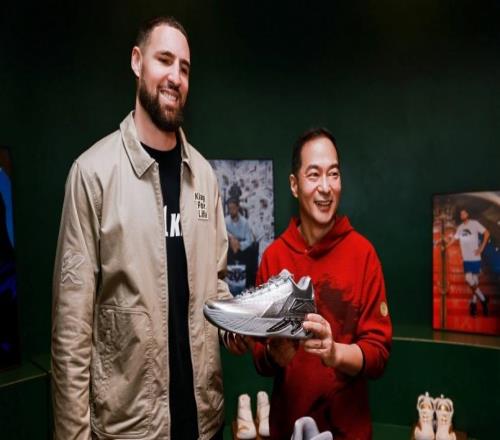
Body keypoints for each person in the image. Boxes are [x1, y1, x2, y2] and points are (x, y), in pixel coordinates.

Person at [52, 16, 235, 440]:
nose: (175, 77)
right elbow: (71, 333)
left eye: (184, 68)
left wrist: (247, 330)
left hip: (204, 423)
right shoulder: (92, 175)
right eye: (164, 60)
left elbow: (216, 289)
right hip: (129, 430)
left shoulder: (204, 177)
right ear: (137, 62)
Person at [250, 128, 392, 439]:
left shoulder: (364, 255)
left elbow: (379, 354)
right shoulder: (274, 257)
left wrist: (335, 352)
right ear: (294, 185)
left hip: (349, 431)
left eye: (334, 174)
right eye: (314, 175)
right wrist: (274, 355)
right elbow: (260, 357)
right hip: (288, 429)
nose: (326, 187)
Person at [447, 208, 490, 316]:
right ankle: (483, 300)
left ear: (468, 214)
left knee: (474, 281)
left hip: (475, 257)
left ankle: (474, 304)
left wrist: (481, 248)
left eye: (464, 213)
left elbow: (487, 233)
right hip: (466, 259)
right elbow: (454, 239)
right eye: (461, 214)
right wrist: (445, 246)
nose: (462, 215)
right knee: (469, 279)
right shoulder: (460, 227)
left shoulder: (474, 223)